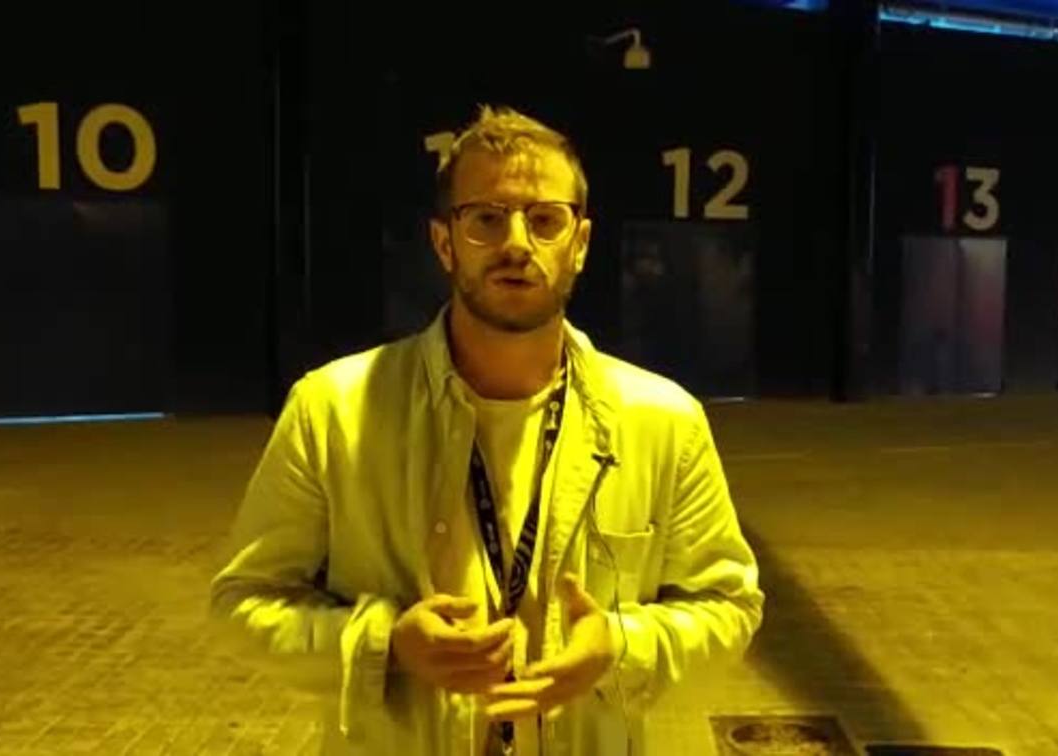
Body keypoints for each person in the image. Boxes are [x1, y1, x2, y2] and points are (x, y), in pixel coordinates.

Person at [209, 105, 764, 756]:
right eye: (486, 219)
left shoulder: (662, 421)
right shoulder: (333, 410)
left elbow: (728, 605)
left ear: (580, 243)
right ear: (444, 242)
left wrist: (618, 647)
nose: (517, 244)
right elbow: (244, 603)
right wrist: (387, 644)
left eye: (545, 219)